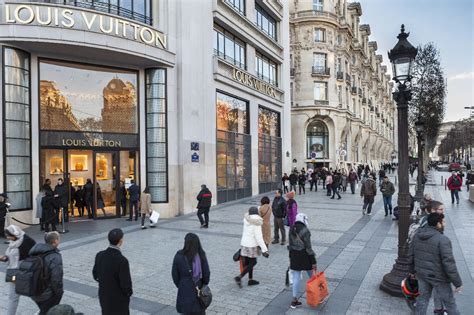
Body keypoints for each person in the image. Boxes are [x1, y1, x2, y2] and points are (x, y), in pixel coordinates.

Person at [408, 213, 462, 315]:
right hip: (439, 278)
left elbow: (411, 255)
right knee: (450, 304)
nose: (445, 223)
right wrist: (457, 282)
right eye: (443, 221)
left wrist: (411, 271)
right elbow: (449, 263)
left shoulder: (417, 236)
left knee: (422, 300)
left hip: (422, 275)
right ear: (438, 224)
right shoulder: (443, 240)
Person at [93, 228, 132, 315]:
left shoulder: (99, 255)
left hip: (104, 296)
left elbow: (95, 274)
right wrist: (128, 294)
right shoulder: (122, 261)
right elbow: (126, 284)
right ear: (121, 241)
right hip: (119, 300)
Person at [0, 225, 36, 315]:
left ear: (15, 234)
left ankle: (46, 308)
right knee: (13, 297)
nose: (8, 238)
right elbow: (11, 257)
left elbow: (35, 256)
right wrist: (4, 258)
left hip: (24, 273)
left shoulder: (27, 241)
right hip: (14, 274)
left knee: (33, 294)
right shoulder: (13, 242)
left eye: (9, 236)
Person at [172, 233, 210, 314]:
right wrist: (203, 284)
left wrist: (181, 284)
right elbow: (206, 274)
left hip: (184, 288)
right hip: (198, 287)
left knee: (185, 311)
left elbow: (174, 275)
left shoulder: (179, 256)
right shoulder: (201, 254)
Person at [234, 207, 269, 288]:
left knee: (249, 262)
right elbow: (259, 237)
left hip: (244, 244)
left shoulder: (247, 220)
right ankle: (239, 277)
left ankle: (250, 280)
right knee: (253, 262)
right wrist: (265, 249)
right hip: (252, 245)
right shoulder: (256, 222)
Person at [30, 231, 64, 315]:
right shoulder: (54, 257)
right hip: (46, 294)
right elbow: (56, 279)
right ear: (55, 241)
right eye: (58, 239)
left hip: (34, 290)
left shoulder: (36, 251)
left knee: (44, 310)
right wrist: (59, 293)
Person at [288, 213, 317, 309]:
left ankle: (294, 300)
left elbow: (290, 244)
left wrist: (290, 257)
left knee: (296, 277)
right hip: (304, 255)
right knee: (312, 276)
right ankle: (318, 296)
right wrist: (313, 261)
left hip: (294, 255)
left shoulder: (292, 228)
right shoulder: (305, 231)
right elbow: (309, 248)